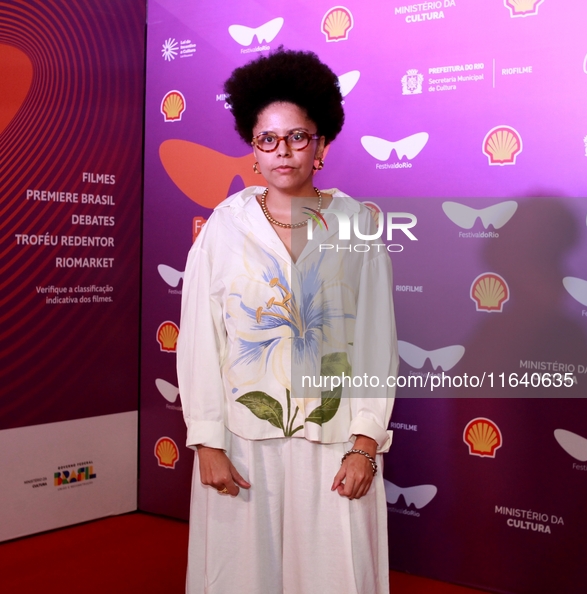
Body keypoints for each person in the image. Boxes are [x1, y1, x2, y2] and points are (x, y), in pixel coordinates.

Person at [177, 47, 398, 594]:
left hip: (335, 439)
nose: (283, 151)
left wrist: (365, 442)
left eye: (298, 136)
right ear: (252, 148)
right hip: (242, 440)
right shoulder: (223, 229)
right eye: (267, 139)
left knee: (337, 575)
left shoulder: (357, 226)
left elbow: (375, 341)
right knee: (240, 577)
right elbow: (202, 341)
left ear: (320, 143)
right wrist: (206, 440)